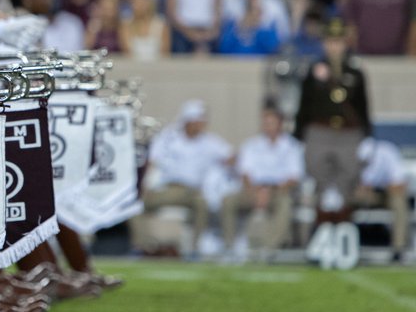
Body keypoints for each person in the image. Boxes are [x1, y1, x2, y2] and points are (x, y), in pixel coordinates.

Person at [294, 18, 370, 231]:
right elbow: (305, 104)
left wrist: (367, 135)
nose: (334, 46)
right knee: (320, 182)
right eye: (330, 41)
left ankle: (344, 229)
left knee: (347, 182)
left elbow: (363, 106)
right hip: (320, 130)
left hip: (348, 132)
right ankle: (321, 231)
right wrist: (298, 135)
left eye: (338, 41)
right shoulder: (314, 70)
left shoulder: (355, 72)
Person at [132, 99, 232, 255]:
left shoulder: (209, 142)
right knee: (133, 205)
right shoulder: (168, 138)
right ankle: (144, 246)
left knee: (202, 202)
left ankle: (194, 249)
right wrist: (145, 186)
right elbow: (152, 162)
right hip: (166, 189)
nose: (202, 124)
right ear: (189, 121)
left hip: (191, 192)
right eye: (198, 121)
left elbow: (230, 157)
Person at [220, 103, 304, 254]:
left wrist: (270, 191)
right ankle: (229, 247)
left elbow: (294, 177)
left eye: (272, 123)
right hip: (253, 190)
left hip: (278, 190)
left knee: (285, 204)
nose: (268, 127)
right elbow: (245, 173)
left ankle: (270, 248)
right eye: (266, 123)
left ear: (280, 124)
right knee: (228, 201)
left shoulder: (292, 147)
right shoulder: (252, 145)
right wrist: (255, 191)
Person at [349, 138, 410, 262]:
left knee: (399, 201)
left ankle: (398, 248)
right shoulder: (351, 155)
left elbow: (399, 183)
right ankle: (345, 246)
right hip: (362, 194)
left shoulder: (387, 152)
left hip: (384, 193)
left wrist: (378, 186)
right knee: (342, 197)